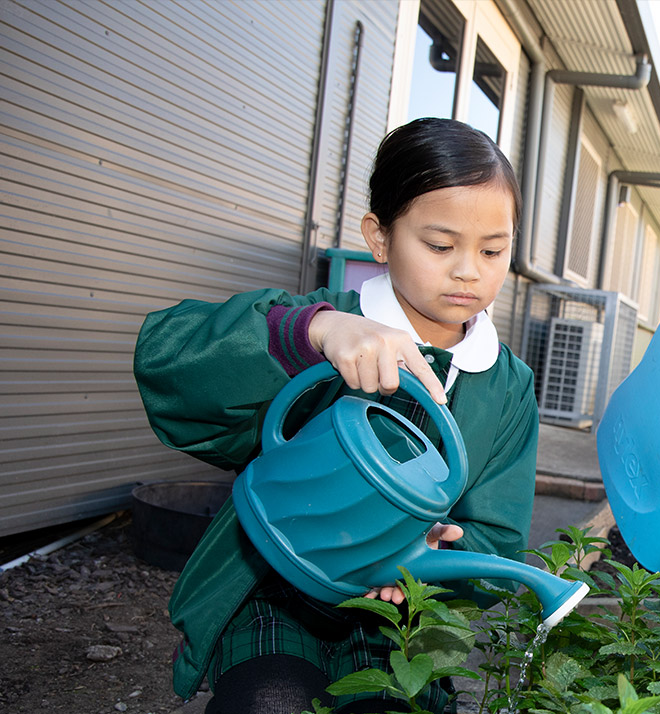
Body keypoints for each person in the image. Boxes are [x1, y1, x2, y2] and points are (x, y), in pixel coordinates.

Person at [135, 117, 540, 714]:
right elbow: (166, 354)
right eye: (439, 245)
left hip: (400, 619)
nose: (468, 270)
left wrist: (429, 555)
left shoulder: (505, 386)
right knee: (269, 700)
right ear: (379, 237)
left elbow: (498, 538)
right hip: (276, 584)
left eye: (492, 249)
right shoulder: (324, 325)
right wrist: (315, 331)